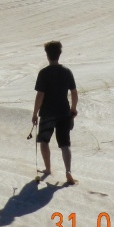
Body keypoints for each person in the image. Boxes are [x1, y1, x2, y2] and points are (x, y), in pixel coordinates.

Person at [31, 40, 78, 184]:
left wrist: (34, 113)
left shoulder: (44, 73)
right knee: (65, 144)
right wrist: (73, 109)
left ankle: (48, 168)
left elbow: (40, 95)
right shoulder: (66, 72)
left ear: (47, 55)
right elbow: (74, 93)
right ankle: (68, 171)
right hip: (64, 112)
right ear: (59, 54)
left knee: (44, 141)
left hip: (47, 113)